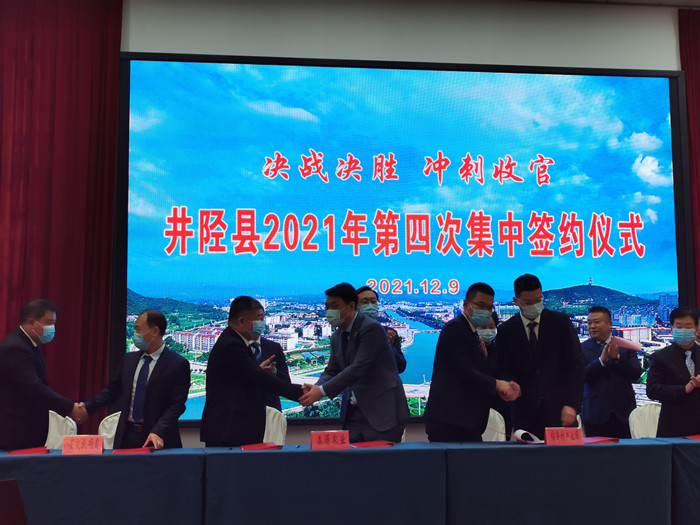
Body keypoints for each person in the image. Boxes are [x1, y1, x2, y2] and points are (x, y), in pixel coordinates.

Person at [299, 283, 409, 442]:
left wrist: (322, 391)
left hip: (383, 414)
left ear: (351, 306)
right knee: (352, 457)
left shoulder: (372, 328)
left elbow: (359, 367)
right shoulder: (337, 336)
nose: (330, 311)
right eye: (327, 307)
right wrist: (316, 387)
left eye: (334, 306)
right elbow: (332, 370)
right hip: (353, 414)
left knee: (381, 458)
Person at [201, 296, 303, 447]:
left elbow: (250, 376)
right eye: (259, 318)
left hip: (244, 428)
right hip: (227, 432)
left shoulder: (237, 341)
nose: (262, 323)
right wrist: (302, 393)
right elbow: (259, 377)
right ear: (242, 321)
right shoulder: (231, 345)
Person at [424, 283, 519, 442]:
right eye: (481, 305)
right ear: (466, 304)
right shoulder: (455, 330)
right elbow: (463, 371)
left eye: (489, 307)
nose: (486, 311)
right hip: (451, 422)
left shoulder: (471, 332)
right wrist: (497, 384)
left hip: (465, 422)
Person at [83, 310, 191, 449]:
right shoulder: (129, 360)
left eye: (138, 329)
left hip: (158, 439)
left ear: (154, 331)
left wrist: (158, 431)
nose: (135, 334)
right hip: (126, 437)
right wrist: (87, 407)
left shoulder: (177, 364)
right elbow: (112, 391)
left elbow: (177, 405)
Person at [496, 274, 584, 438]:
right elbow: (502, 368)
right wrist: (510, 383)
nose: (534, 306)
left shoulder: (561, 322)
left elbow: (576, 365)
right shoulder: (506, 331)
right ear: (516, 301)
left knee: (567, 455)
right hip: (525, 413)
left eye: (538, 300)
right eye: (527, 302)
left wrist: (573, 405)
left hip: (562, 411)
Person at [0, 299, 86, 450]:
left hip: (28, 430)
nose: (52, 328)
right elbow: (34, 387)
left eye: (54, 323)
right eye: (48, 322)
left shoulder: (30, 344)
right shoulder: (16, 347)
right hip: (16, 432)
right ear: (31, 321)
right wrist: (70, 408)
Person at [581, 306, 641, 438]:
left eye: (596, 322)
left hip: (624, 415)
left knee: (625, 450)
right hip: (595, 415)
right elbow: (581, 377)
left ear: (609, 324)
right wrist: (601, 361)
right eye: (589, 323)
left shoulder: (626, 346)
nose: (592, 326)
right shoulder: (582, 348)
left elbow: (636, 373)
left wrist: (617, 358)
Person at [647, 307, 700, 437]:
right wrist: (684, 389)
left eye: (688, 327)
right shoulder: (660, 357)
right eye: (679, 327)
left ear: (696, 329)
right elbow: (652, 390)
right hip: (674, 428)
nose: (684, 330)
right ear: (671, 329)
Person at [477, 311, 513, 438]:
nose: (487, 331)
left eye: (491, 327)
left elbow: (506, 379)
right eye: (483, 327)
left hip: (501, 411)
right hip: (474, 414)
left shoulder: (503, 351)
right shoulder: (467, 352)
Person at [356, 285, 406, 373]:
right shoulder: (345, 334)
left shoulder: (390, 333)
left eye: (373, 301)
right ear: (355, 306)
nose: (370, 305)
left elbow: (400, 367)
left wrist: (388, 346)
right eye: (365, 302)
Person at [254, 308, 292, 411]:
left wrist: (275, 372)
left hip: (272, 411)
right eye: (256, 318)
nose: (260, 322)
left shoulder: (274, 347)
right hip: (242, 412)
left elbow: (286, 384)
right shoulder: (232, 349)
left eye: (262, 318)